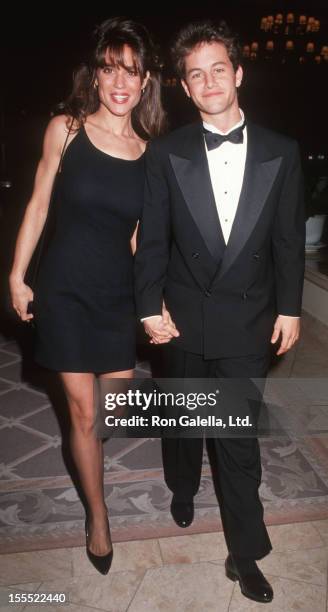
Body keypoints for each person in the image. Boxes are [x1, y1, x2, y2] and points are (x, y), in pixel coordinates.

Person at [135, 19, 305, 603]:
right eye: (195, 73)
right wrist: (147, 307)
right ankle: (181, 488)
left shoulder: (281, 152)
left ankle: (245, 554)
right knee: (184, 425)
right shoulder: (166, 152)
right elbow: (152, 240)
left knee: (237, 441)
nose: (208, 81)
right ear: (184, 86)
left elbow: (286, 240)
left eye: (217, 69)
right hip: (181, 317)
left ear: (238, 72)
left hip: (247, 320)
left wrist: (291, 308)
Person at [9, 16, 165, 575]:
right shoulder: (66, 130)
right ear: (95, 76)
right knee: (80, 413)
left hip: (115, 297)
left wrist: (155, 300)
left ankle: (87, 458)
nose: (120, 81)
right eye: (110, 69)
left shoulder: (150, 153)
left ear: (146, 82)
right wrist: (17, 274)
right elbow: (39, 205)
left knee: (112, 412)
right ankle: (98, 517)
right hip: (66, 290)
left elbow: (138, 238)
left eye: (132, 71)